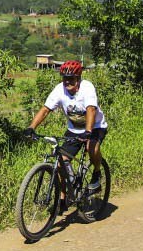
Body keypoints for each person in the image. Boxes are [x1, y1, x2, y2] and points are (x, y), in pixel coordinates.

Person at [26, 60, 109, 192]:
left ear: (78, 78)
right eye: (65, 78)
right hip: (74, 129)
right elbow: (45, 109)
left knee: (91, 146)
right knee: (61, 163)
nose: (67, 82)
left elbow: (91, 109)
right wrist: (31, 128)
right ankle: (64, 198)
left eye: (71, 78)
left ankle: (97, 173)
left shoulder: (87, 87)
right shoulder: (59, 90)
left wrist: (88, 131)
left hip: (95, 126)